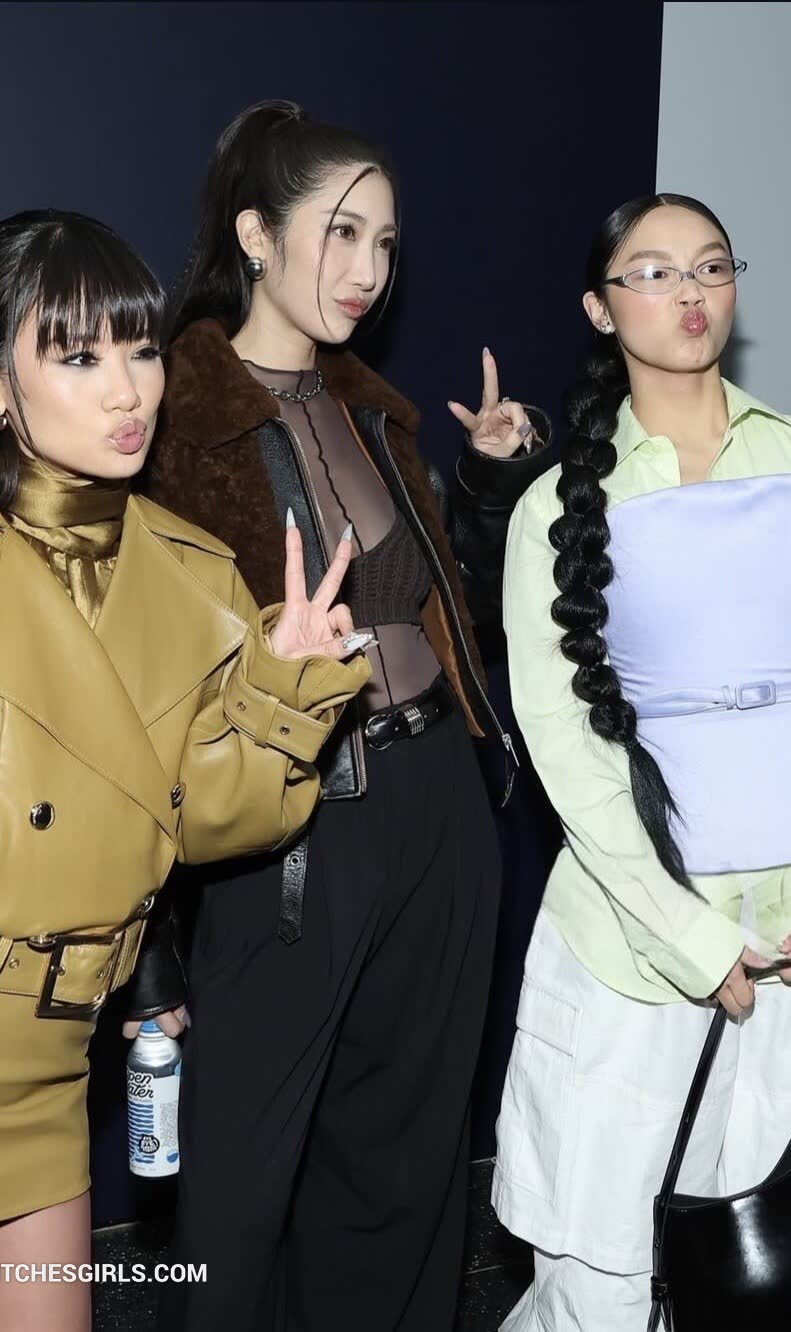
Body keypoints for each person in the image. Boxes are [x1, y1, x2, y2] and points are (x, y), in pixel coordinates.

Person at [0, 208, 370, 1332]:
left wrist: (283, 689)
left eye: (140, 350)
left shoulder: (195, 576)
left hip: (52, 1074)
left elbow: (214, 822)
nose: (128, 391)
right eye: (77, 358)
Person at [123, 100, 553, 1332]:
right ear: (256, 235)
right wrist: (147, 948)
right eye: (343, 232)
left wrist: (486, 490)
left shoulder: (375, 412)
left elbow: (449, 612)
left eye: (387, 243)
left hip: (437, 807)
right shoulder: (172, 425)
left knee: (408, 1158)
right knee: (242, 1186)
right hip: (292, 834)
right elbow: (134, 700)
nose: (369, 269)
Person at [494, 193, 791, 1331]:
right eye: (653, 272)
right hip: (631, 950)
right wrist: (693, 939)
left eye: (710, 266)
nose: (690, 293)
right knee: (603, 1284)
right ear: (599, 307)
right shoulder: (559, 509)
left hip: (781, 951)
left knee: (747, 1276)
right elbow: (568, 758)